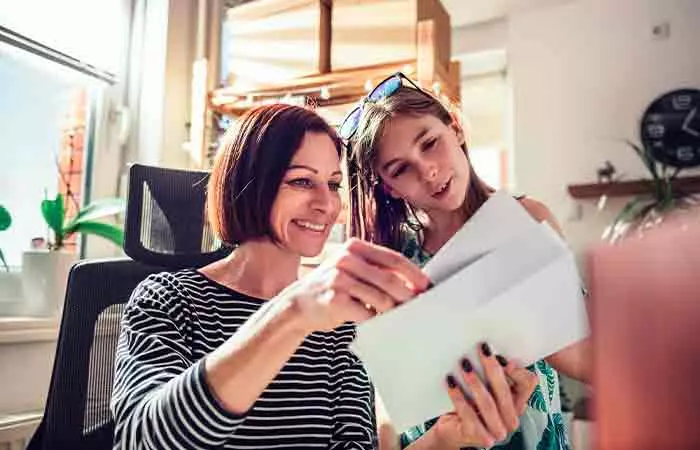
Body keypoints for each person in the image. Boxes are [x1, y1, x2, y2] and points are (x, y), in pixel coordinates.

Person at [110, 103, 431, 450]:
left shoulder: (337, 323)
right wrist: (290, 314)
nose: (326, 204)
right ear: (249, 184)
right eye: (302, 181)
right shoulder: (168, 299)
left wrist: (446, 437)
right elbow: (141, 440)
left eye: (333, 184)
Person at [342, 73, 591, 450]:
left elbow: (588, 356)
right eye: (400, 169)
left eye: (430, 143)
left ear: (454, 128)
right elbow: (385, 410)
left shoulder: (526, 219)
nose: (427, 170)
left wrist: (534, 322)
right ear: (389, 187)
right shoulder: (390, 260)